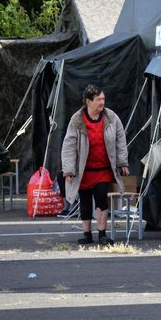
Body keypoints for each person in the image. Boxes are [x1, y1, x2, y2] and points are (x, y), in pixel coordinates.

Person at [61, 84, 129, 245]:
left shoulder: (111, 117)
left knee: (101, 197)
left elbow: (121, 140)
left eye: (103, 99)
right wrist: (69, 169)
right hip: (83, 170)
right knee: (84, 200)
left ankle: (102, 233)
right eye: (98, 99)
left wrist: (122, 162)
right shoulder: (77, 120)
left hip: (103, 169)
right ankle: (86, 234)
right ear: (88, 101)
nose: (102, 102)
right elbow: (69, 145)